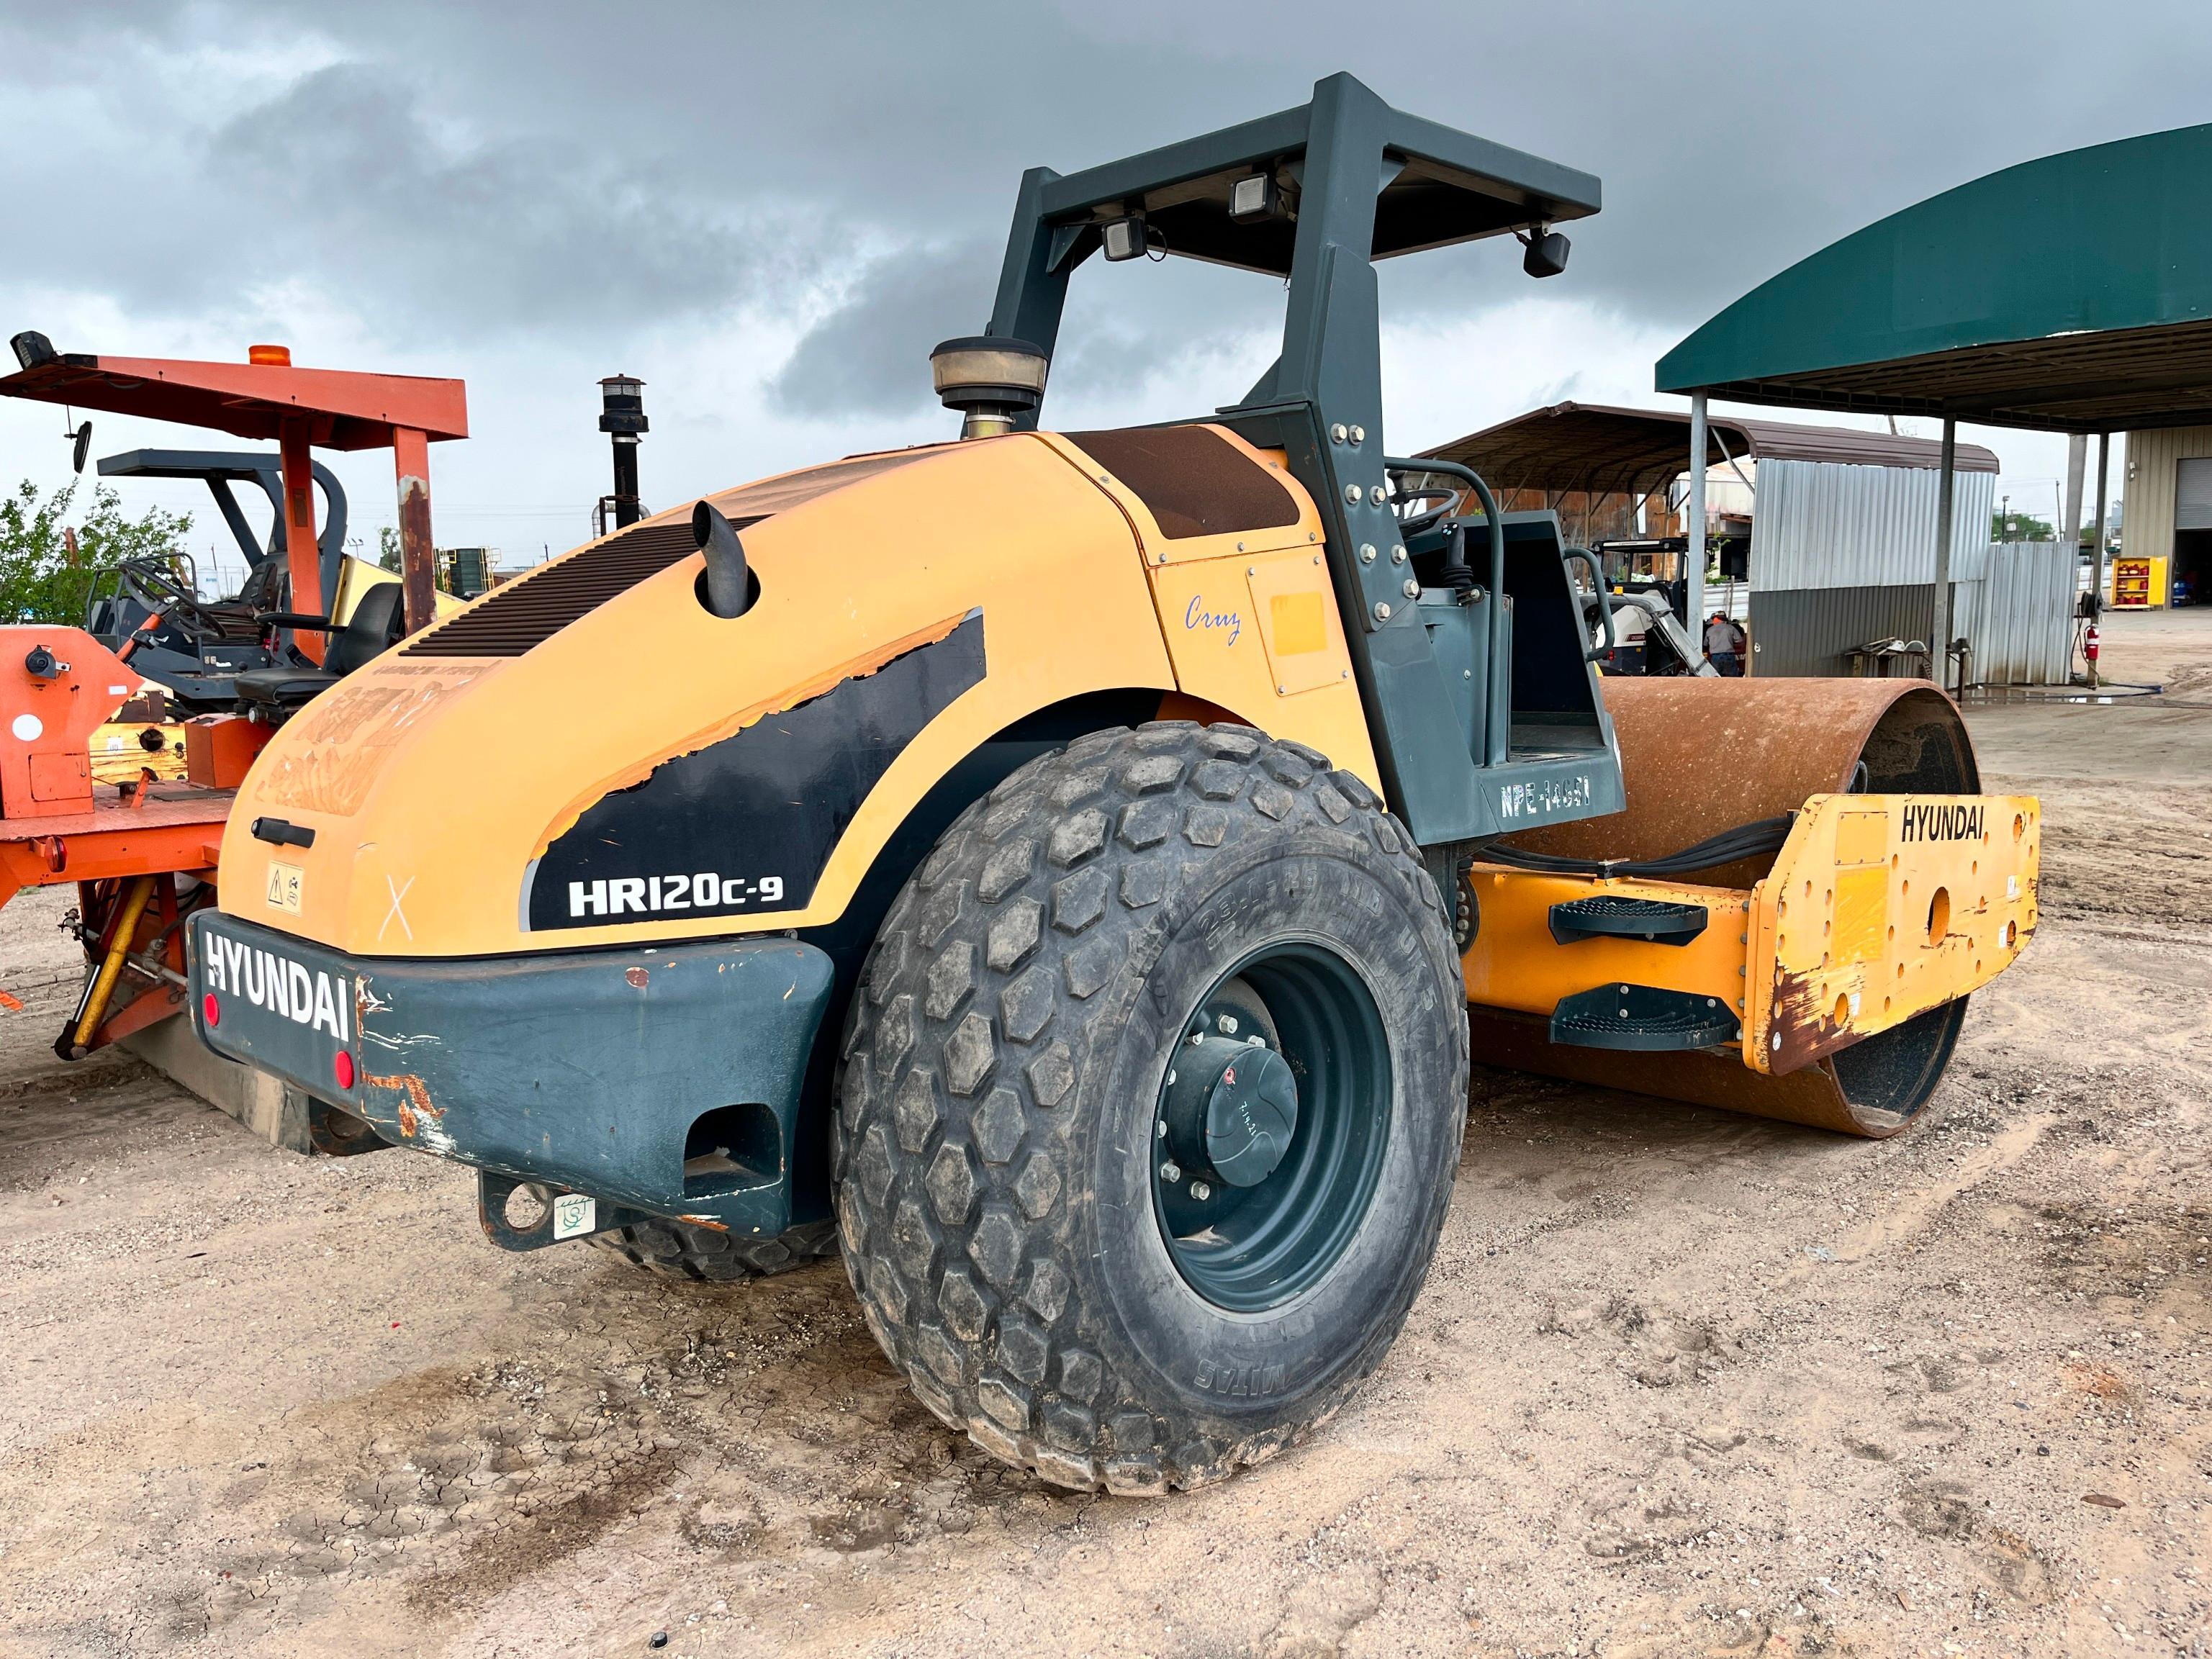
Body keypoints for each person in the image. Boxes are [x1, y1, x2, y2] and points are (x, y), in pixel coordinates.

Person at [1705, 612, 1746, 677]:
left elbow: (1705, 644)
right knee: (1732, 679)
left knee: (1716, 679)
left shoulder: (1709, 630)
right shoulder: (1731, 628)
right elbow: (1739, 640)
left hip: (1715, 658)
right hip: (1728, 656)